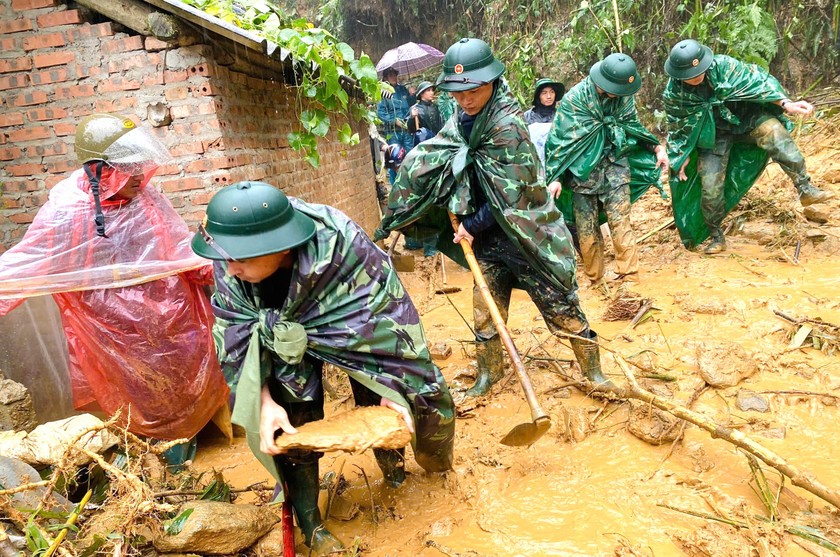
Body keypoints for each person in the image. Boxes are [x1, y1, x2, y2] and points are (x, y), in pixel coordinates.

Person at [191, 182, 455, 555]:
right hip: (278, 334)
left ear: (279, 247)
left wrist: (390, 389)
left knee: (383, 396)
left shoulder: (342, 245)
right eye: (226, 260)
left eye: (241, 261)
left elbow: (385, 322)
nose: (229, 269)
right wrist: (263, 401)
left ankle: (397, 477)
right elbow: (234, 335)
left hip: (348, 324)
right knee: (292, 418)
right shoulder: (228, 254)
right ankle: (311, 523)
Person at [374, 38, 612, 397]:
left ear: (492, 82)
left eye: (474, 90)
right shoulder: (460, 119)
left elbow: (513, 196)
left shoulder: (507, 126)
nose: (465, 99)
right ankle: (490, 374)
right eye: (457, 92)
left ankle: (594, 373)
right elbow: (443, 156)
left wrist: (470, 224)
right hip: (488, 239)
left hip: (526, 236)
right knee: (485, 311)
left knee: (560, 306)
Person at [0, 114, 229, 453]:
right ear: (101, 171)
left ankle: (189, 435)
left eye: (140, 164)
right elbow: (25, 263)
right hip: (111, 328)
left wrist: (224, 270)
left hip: (167, 315)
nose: (140, 174)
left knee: (181, 379)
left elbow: (178, 247)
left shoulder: (146, 198)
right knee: (137, 390)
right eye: (128, 167)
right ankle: (154, 450)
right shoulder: (67, 211)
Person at [663, 39, 833, 254]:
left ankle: (805, 188)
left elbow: (757, 82)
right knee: (711, 187)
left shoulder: (725, 66)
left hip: (748, 118)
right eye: (690, 76)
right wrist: (683, 155)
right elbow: (678, 125)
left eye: (700, 71)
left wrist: (786, 103)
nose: (696, 77)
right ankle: (716, 235)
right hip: (713, 134)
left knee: (776, 135)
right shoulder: (675, 92)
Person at [545, 54, 669, 285]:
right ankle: (596, 279)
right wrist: (556, 177)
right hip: (583, 175)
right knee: (586, 229)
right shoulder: (576, 100)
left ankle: (629, 275)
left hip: (616, 168)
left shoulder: (623, 98)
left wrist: (656, 148)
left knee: (621, 221)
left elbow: (633, 127)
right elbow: (559, 141)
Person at [377, 67, 415, 183]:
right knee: (394, 159)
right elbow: (380, 113)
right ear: (385, 78)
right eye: (390, 75)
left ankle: (411, 183)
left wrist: (412, 95)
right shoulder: (383, 92)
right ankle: (396, 186)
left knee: (411, 155)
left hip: (406, 130)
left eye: (395, 74)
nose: (394, 77)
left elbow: (411, 106)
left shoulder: (403, 89)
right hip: (393, 132)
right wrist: (394, 120)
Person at [408, 81, 443, 146]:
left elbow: (441, 123)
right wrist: (411, 117)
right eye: (428, 90)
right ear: (421, 93)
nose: (432, 93)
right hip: (424, 143)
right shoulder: (415, 109)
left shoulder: (435, 106)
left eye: (432, 90)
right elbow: (410, 129)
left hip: (438, 141)